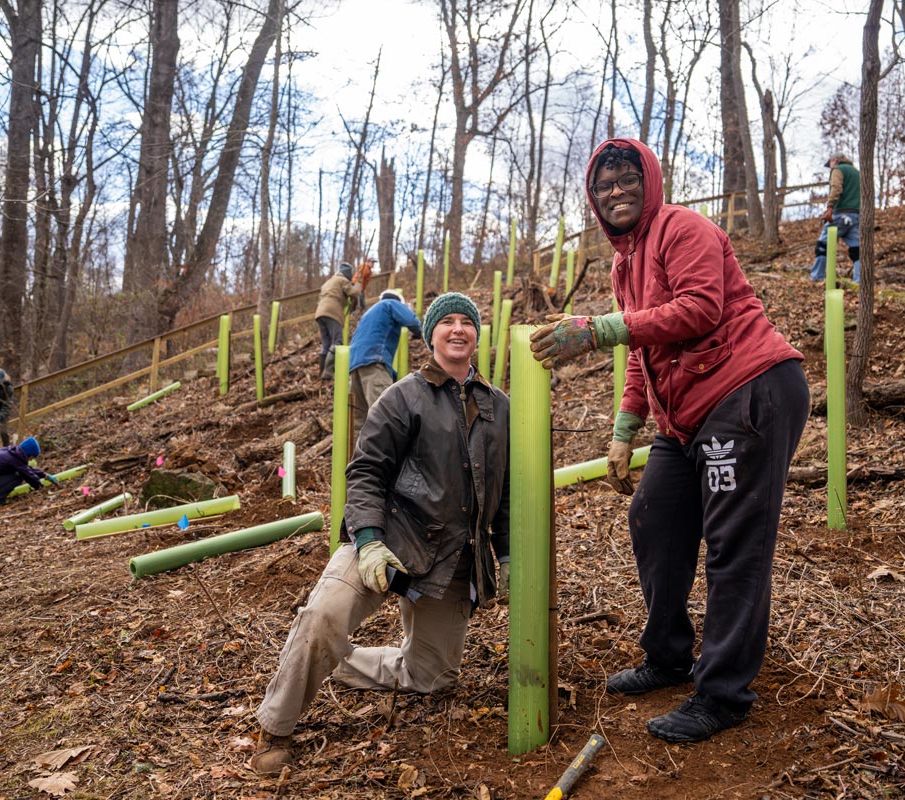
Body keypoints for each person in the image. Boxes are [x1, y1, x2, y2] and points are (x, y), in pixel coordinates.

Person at [529, 139, 809, 744]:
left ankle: (723, 694)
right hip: (684, 417)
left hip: (748, 390)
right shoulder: (622, 264)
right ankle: (669, 657)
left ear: (649, 180)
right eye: (604, 186)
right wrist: (623, 432)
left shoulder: (684, 228)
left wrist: (602, 330)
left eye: (628, 179)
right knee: (652, 519)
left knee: (735, 543)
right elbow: (641, 349)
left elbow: (701, 309)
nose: (616, 192)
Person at [251, 292, 510, 775]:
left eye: (466, 322)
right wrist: (367, 540)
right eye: (446, 322)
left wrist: (508, 556)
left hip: (453, 556)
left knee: (432, 678)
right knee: (322, 618)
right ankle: (276, 727)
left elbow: (507, 493)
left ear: (477, 335)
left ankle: (340, 662)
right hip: (389, 537)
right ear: (430, 335)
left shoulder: (499, 407)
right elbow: (366, 471)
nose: (457, 330)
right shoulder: (402, 395)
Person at [347, 288, 423, 432]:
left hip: (354, 365)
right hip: (373, 361)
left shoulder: (368, 314)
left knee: (359, 420)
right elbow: (411, 319)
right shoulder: (390, 304)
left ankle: (356, 454)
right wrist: (420, 332)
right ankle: (388, 453)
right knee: (385, 412)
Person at [0, 436, 58, 511]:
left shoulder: (10, 452)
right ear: (28, 454)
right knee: (17, 477)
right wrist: (40, 486)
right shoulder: (15, 459)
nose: (31, 460)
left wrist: (44, 475)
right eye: (32, 457)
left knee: (16, 473)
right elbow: (27, 474)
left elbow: (26, 468)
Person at [809, 152, 860, 283]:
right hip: (855, 215)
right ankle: (859, 280)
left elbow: (836, 188)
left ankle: (817, 277)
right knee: (857, 250)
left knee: (822, 246)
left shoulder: (838, 170)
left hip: (840, 214)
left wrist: (830, 208)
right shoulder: (856, 172)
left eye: (830, 163)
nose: (830, 167)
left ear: (835, 160)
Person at [314, 262, 365, 378]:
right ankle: (328, 372)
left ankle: (322, 372)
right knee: (337, 341)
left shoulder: (329, 282)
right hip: (332, 312)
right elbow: (352, 293)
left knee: (326, 344)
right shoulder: (342, 280)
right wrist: (357, 285)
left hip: (320, 312)